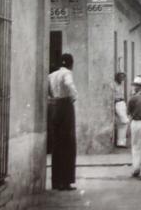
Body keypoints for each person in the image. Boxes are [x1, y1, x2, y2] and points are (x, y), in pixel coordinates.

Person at [48, 53, 78, 191]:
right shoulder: (67, 74)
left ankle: (56, 181)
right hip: (65, 106)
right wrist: (74, 96)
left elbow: (48, 91)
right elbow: (69, 85)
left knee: (57, 144)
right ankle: (66, 181)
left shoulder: (51, 75)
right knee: (68, 143)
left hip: (54, 106)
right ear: (71, 64)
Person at [114, 72, 129, 147]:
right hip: (117, 103)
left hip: (122, 103)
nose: (123, 79)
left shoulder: (121, 85)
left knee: (121, 124)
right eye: (121, 77)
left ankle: (121, 142)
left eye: (123, 78)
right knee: (125, 121)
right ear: (117, 77)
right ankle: (121, 142)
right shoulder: (113, 85)